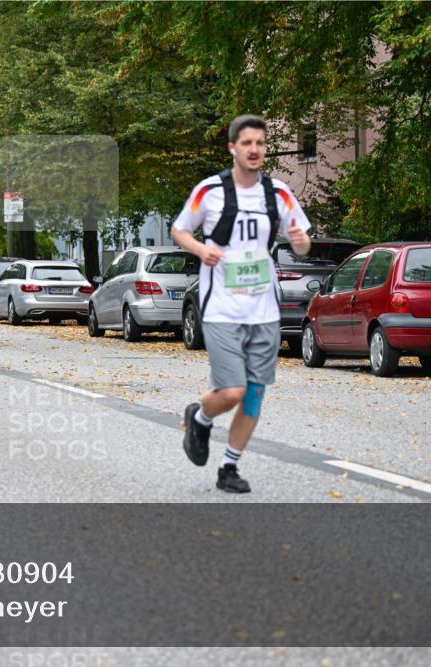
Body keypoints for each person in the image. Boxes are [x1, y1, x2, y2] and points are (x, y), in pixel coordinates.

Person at [171, 114, 312, 494]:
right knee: (232, 391)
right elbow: (179, 229)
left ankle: (228, 467)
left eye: (260, 144)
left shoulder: (279, 193)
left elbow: (302, 244)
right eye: (246, 143)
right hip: (221, 310)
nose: (254, 150)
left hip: (264, 311)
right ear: (233, 147)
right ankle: (200, 417)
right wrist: (202, 249)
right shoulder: (210, 190)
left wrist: (299, 240)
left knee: (253, 394)